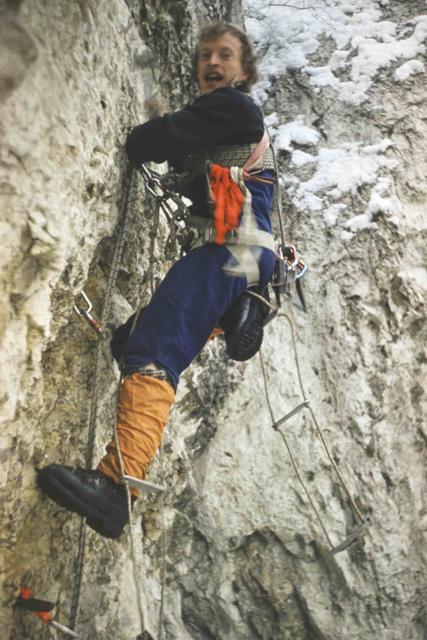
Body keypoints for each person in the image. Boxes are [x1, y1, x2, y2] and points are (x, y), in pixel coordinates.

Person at [37, 22, 277, 539]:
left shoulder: (235, 109)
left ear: (244, 71)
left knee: (155, 344)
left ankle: (116, 488)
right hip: (244, 260)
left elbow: (151, 140)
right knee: (136, 339)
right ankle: (235, 312)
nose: (214, 63)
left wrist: (150, 139)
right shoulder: (230, 127)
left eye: (226, 56)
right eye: (206, 55)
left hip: (233, 254)